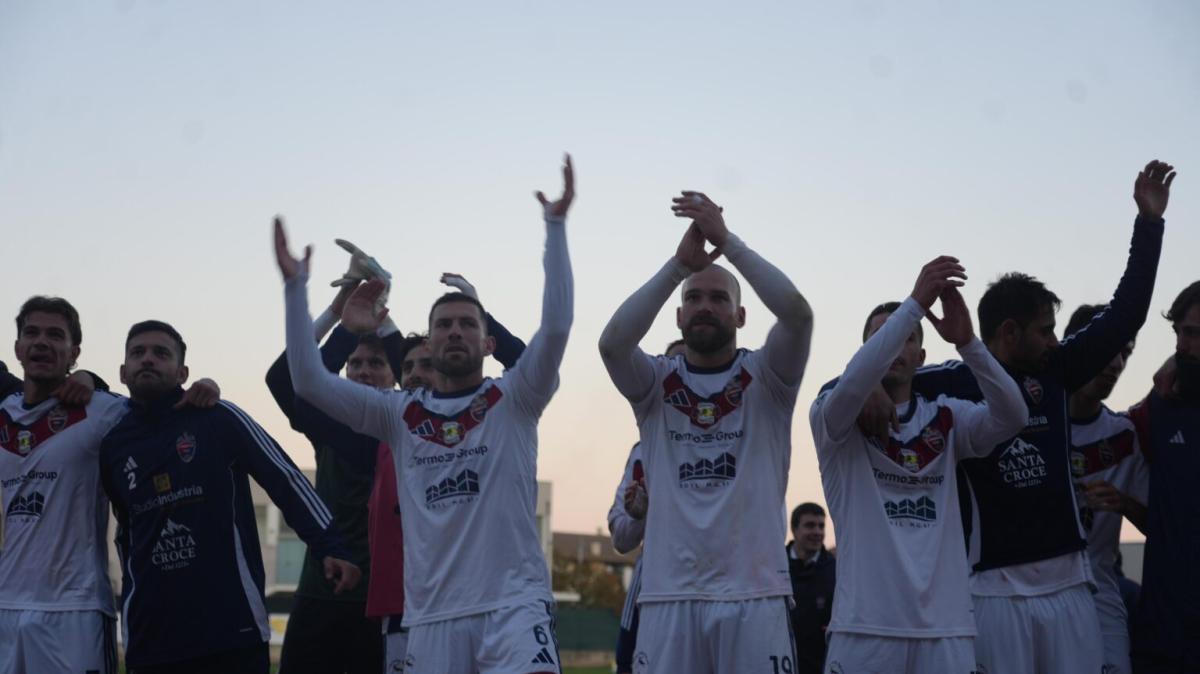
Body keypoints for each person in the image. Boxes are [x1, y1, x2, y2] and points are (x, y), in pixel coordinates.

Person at [846, 160, 1173, 673]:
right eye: (1045, 329)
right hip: (991, 592)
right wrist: (863, 388)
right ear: (1009, 331)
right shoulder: (952, 380)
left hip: (1070, 583)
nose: (1054, 339)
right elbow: (866, 382)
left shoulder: (1059, 369)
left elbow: (1125, 314)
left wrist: (1149, 223)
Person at [277, 155, 574, 673]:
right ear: (428, 339)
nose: (453, 331)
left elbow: (556, 328)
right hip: (431, 618)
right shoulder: (399, 414)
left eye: (465, 322)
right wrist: (296, 290)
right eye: (442, 324)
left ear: (488, 341)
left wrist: (555, 227)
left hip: (513, 608)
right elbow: (305, 382)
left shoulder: (516, 399)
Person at [598, 191, 813, 673]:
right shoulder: (655, 385)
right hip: (670, 596)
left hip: (755, 596)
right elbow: (612, 344)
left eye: (719, 298)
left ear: (741, 316)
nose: (704, 306)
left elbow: (798, 315)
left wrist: (728, 243)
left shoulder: (769, 378)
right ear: (677, 316)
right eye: (693, 298)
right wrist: (678, 266)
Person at [100, 320, 360, 674]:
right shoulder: (113, 445)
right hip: (151, 637)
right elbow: (126, 533)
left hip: (229, 631)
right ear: (122, 372)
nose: (147, 359)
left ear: (182, 372)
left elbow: (285, 478)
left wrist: (330, 545)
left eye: (161, 353)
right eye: (138, 353)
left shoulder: (217, 417)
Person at [811, 258, 1026, 673]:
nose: (894, 346)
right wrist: (914, 303)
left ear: (922, 355)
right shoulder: (832, 418)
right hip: (864, 630)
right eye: (882, 338)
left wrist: (968, 344)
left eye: (907, 337)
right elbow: (849, 387)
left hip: (945, 631)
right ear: (865, 353)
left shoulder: (947, 416)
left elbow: (1013, 416)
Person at [0, 297, 218, 674]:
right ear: (17, 347)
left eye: (56, 335)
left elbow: (159, 407)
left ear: (74, 352)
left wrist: (205, 387)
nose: (41, 342)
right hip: (5, 605)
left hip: (75, 609)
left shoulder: (102, 410)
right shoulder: (3, 411)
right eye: (32, 333)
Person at [268, 272, 407, 674]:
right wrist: (338, 318)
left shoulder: (412, 425)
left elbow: (425, 376)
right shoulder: (329, 421)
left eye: (376, 363)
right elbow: (283, 379)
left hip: (387, 599)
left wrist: (385, 323)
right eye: (354, 363)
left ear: (394, 372)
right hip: (322, 589)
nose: (362, 371)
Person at [1063, 303, 1149, 674]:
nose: (1116, 363)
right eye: (1110, 349)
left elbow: (1158, 524)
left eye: (1126, 353)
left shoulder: (1125, 435)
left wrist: (1125, 503)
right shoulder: (1024, 420)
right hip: (1029, 595)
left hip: (1100, 596)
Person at [1129, 280, 1200, 673]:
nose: (1180, 345)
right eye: (1178, 333)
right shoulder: (1161, 405)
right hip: (1164, 631)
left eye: (1191, 334)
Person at [608, 340, 684, 674]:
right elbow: (622, 539)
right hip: (653, 591)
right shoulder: (642, 451)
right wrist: (640, 515)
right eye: (672, 367)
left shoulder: (738, 438)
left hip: (719, 590)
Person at [784, 503, 834, 674]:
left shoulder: (837, 570)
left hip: (822, 664)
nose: (818, 532)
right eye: (810, 525)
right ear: (794, 529)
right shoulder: (775, 567)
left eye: (821, 526)